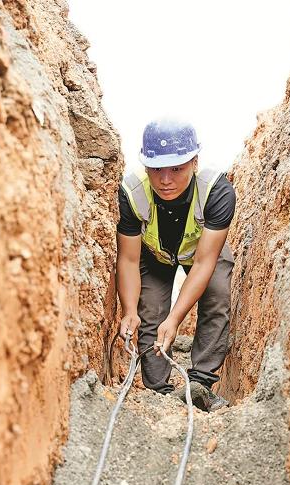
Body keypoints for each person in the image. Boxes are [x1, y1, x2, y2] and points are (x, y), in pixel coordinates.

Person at [116, 118, 236, 411]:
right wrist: (129, 311)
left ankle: (200, 384)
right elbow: (129, 260)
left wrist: (176, 318)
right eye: (157, 169)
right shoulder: (132, 193)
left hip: (202, 253)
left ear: (194, 162)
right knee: (150, 310)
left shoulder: (217, 192)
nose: (165, 180)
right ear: (146, 166)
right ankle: (159, 391)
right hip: (154, 256)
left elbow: (206, 263)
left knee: (217, 294)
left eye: (177, 169)